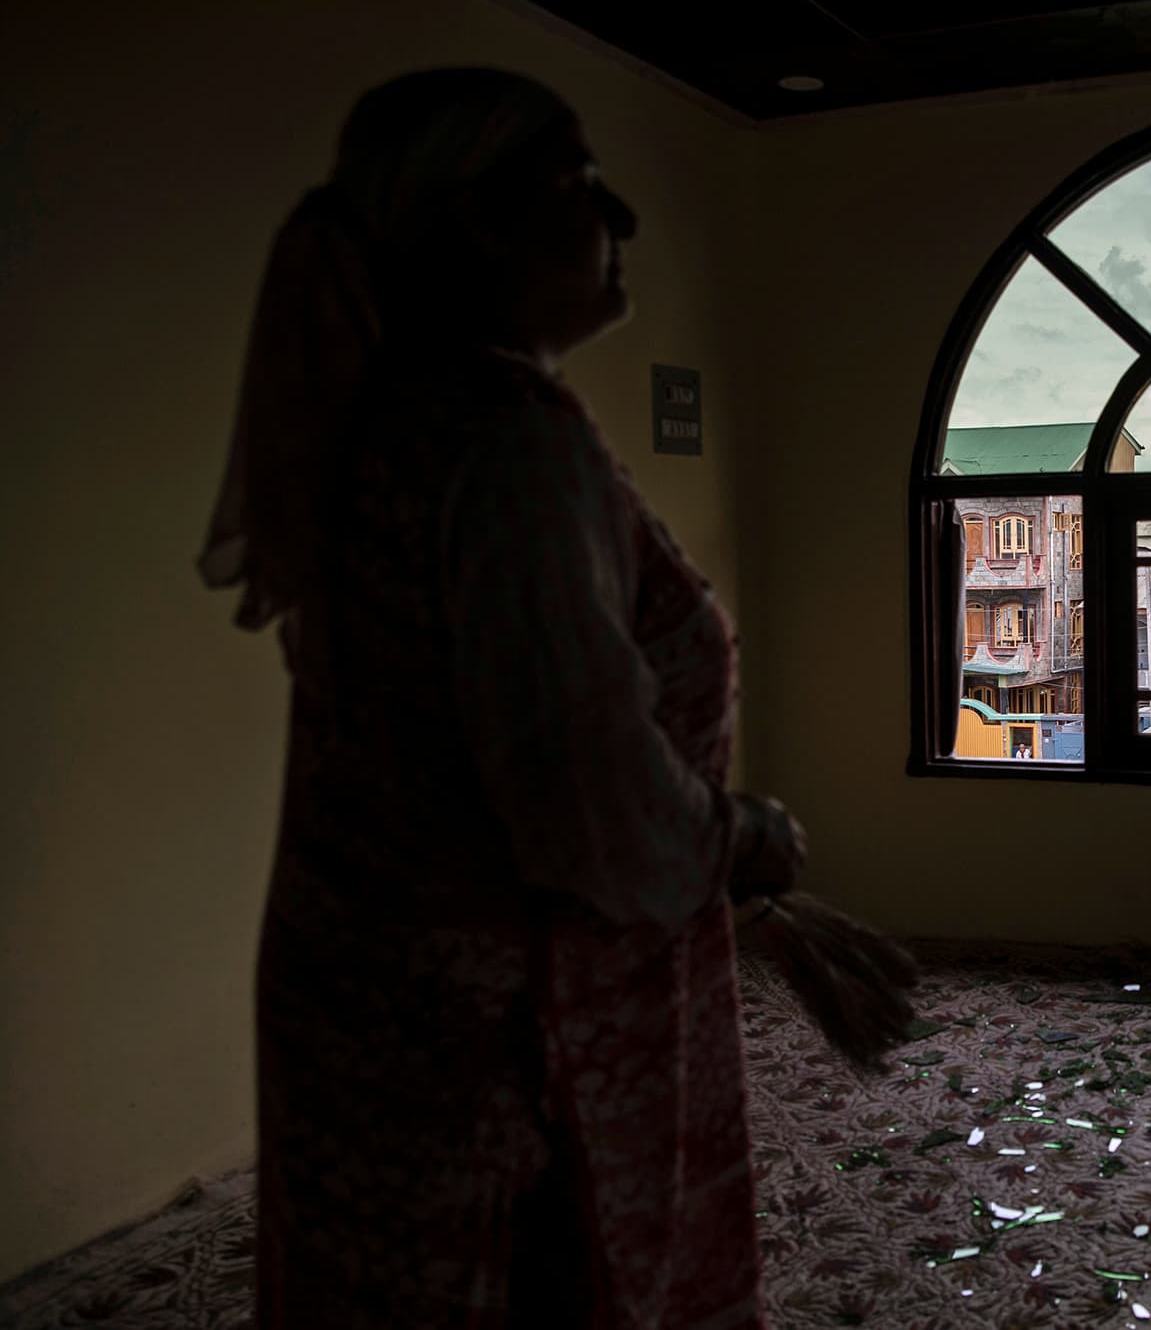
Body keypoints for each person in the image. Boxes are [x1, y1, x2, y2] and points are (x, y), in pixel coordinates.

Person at [197, 69, 803, 1329]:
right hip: (507, 1037)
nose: (619, 218)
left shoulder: (392, 421)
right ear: (479, 221)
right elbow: (582, 794)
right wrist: (737, 836)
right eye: (584, 186)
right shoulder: (507, 444)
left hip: (375, 996)